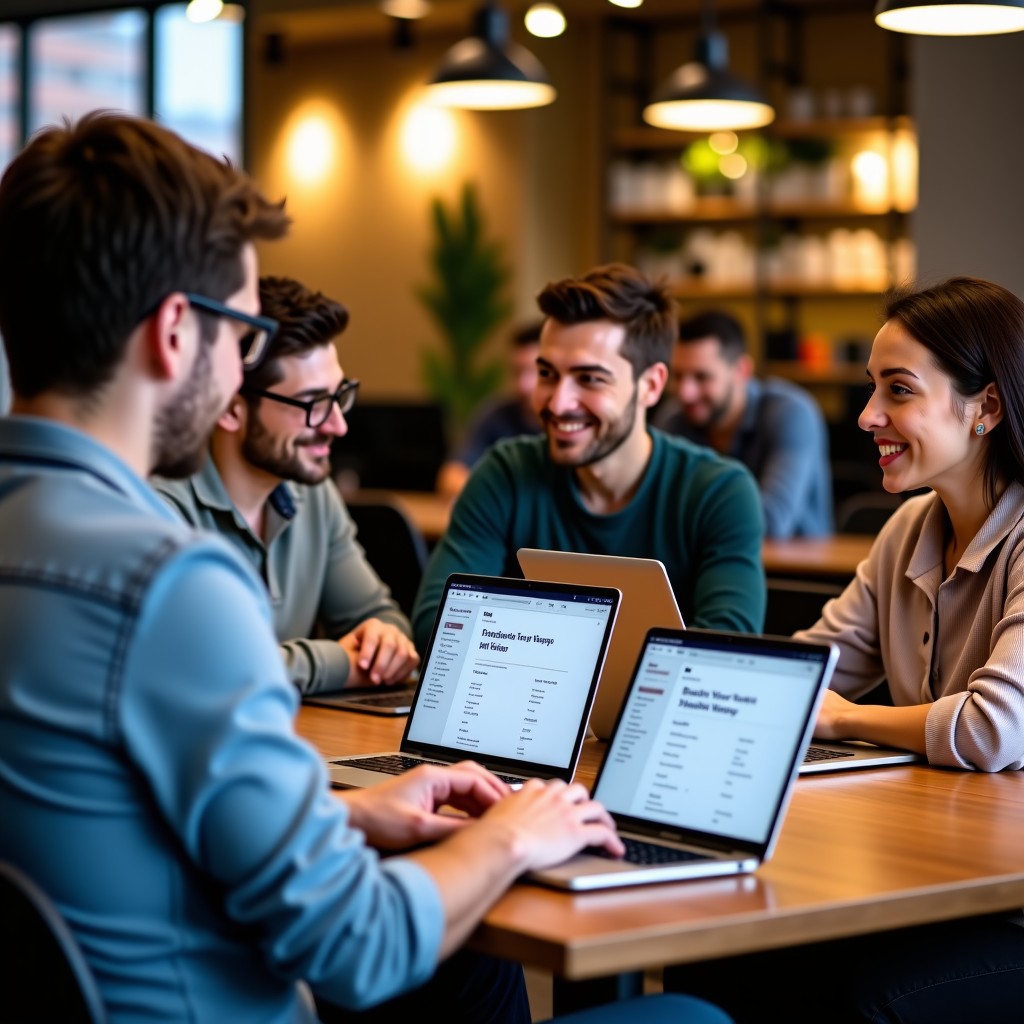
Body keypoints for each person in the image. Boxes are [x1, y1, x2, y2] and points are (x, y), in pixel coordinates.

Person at [0, 112, 737, 1024]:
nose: (239, 374)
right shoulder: (172, 585)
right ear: (177, 332)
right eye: (239, 331)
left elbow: (107, 814)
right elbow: (359, 947)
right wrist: (511, 836)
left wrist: (346, 812)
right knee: (690, 1020)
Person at [665, 275, 1024, 1023]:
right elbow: (807, 664)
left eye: (898, 391)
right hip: (934, 880)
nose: (866, 416)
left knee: (856, 999)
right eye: (870, 389)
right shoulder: (906, 532)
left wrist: (840, 720)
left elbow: (993, 729)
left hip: (1008, 910)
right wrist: (675, 675)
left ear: (986, 406)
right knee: (711, 952)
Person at [412, 264, 766, 653]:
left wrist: (527, 646)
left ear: (650, 385)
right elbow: (438, 622)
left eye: (590, 379)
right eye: (547, 373)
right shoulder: (505, 474)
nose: (558, 402)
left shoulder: (719, 491)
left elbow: (725, 652)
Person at [154, 274, 418, 695]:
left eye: (340, 395)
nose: (339, 424)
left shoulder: (313, 492)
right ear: (230, 409)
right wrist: (336, 662)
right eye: (314, 404)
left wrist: (384, 643)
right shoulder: (161, 508)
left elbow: (378, 618)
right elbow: (205, 666)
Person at [656, 309, 833, 539]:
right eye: (678, 376)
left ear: (742, 371)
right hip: (705, 562)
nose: (685, 393)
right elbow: (651, 509)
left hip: (797, 571)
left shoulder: (790, 413)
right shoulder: (674, 419)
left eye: (701, 377)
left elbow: (771, 521)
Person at [435, 320, 543, 500]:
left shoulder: (566, 424)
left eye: (534, 372)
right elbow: (451, 476)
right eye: (516, 372)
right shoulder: (497, 416)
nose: (523, 385)